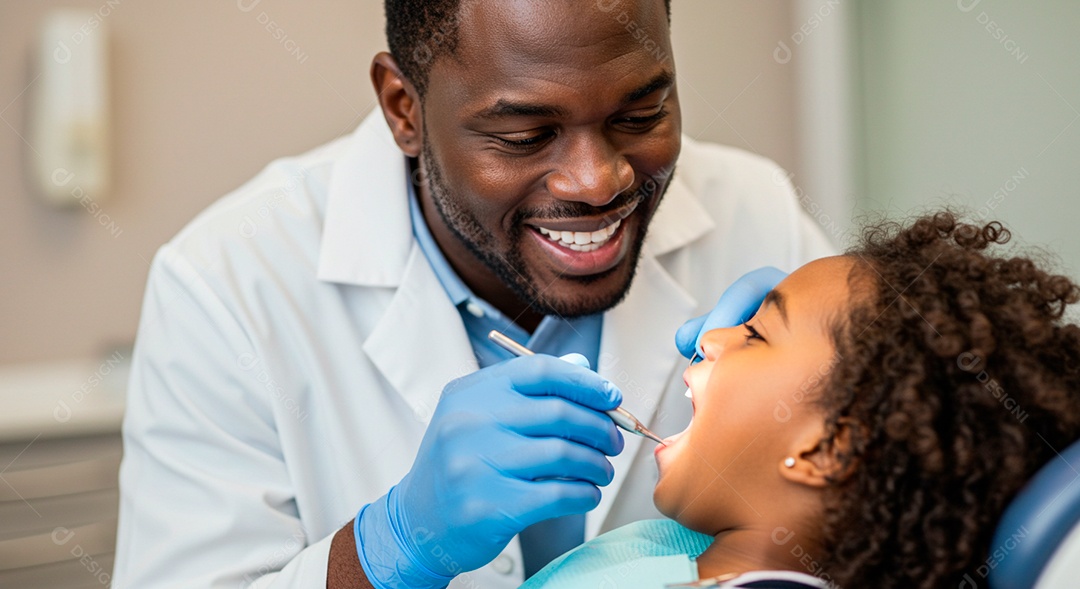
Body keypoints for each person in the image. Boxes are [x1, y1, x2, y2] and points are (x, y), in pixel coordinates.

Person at [111, 1, 834, 587]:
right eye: (525, 134)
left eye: (639, 116)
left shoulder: (754, 209)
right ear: (404, 108)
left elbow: (907, 503)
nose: (598, 181)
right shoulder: (226, 284)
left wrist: (857, 346)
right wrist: (391, 545)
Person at [518, 211, 1080, 589]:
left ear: (827, 449)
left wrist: (425, 563)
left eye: (756, 332)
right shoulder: (675, 549)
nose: (711, 337)